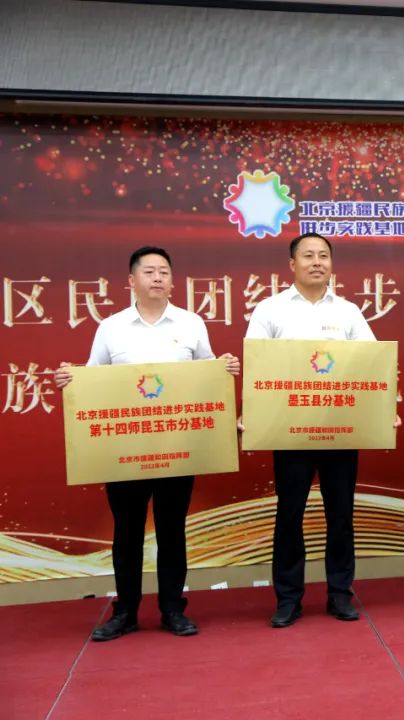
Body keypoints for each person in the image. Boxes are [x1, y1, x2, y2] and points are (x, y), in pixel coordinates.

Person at [54, 246, 240, 641]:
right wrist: (72, 379)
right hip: (126, 450)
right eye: (149, 271)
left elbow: (209, 374)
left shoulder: (191, 323)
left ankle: (173, 609)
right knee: (127, 531)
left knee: (173, 529)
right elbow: (93, 379)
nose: (157, 278)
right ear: (131, 281)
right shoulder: (111, 327)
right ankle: (126, 612)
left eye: (164, 272)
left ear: (172, 281)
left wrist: (225, 368)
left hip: (178, 445)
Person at [245, 232, 400, 628]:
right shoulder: (270, 310)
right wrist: (255, 413)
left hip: (340, 428)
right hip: (290, 430)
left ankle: (340, 593)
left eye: (324, 256)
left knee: (341, 514)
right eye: (308, 256)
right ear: (292, 264)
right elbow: (257, 366)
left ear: (332, 264)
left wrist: (383, 408)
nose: (317, 262)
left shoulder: (348, 312)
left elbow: (372, 364)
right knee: (290, 513)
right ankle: (288, 598)